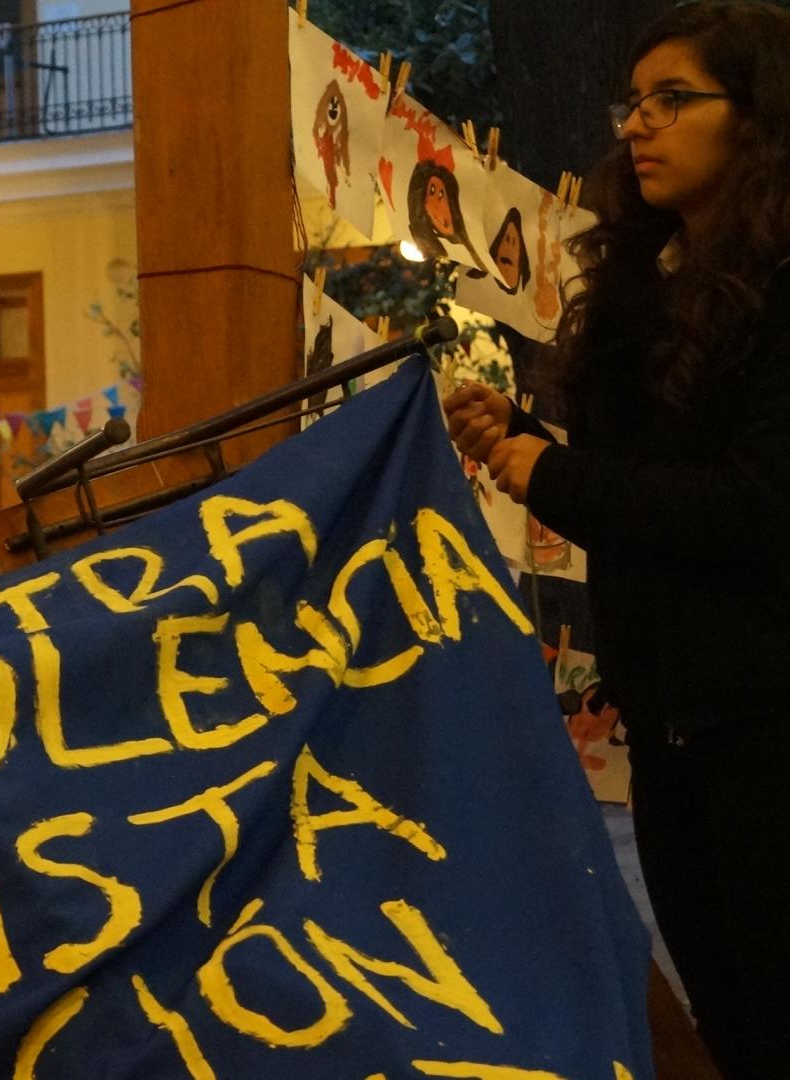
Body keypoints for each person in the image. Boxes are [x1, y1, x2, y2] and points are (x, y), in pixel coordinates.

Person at [443, 4, 790, 1074]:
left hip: (769, 739)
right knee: (731, 1028)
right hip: (672, 735)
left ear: (760, 117)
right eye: (631, 103)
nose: (637, 126)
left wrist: (560, 474)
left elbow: (753, 512)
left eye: (673, 99)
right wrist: (533, 440)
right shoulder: (650, 288)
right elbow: (643, 485)